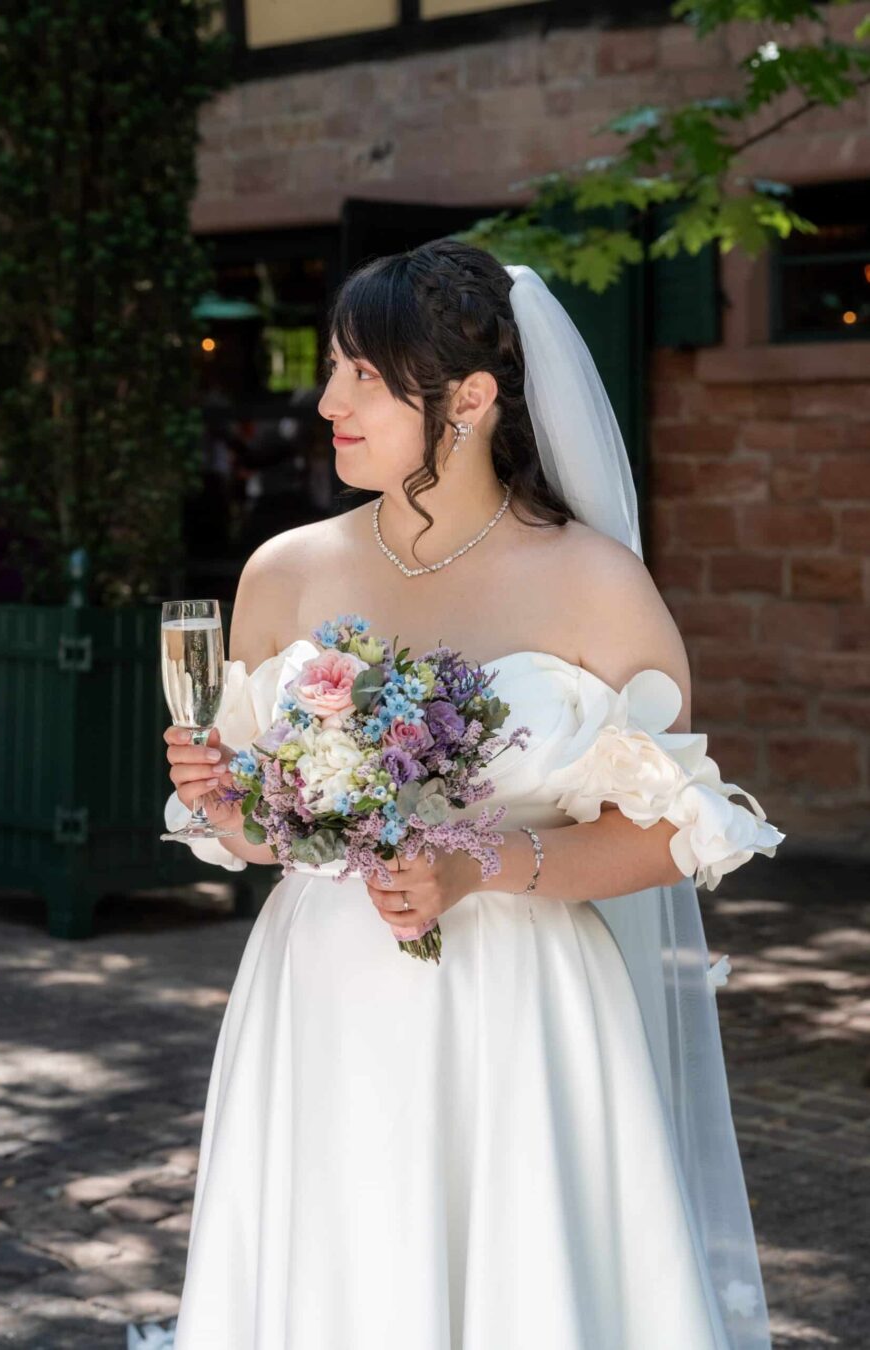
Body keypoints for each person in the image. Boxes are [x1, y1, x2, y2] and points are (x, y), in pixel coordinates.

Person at [147, 240, 785, 1350]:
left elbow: (678, 830)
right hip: (321, 993)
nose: (328, 399)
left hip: (518, 1001)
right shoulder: (282, 571)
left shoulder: (594, 581)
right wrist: (219, 799)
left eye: (364, 374)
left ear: (473, 400)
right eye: (335, 368)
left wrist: (478, 865)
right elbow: (265, 829)